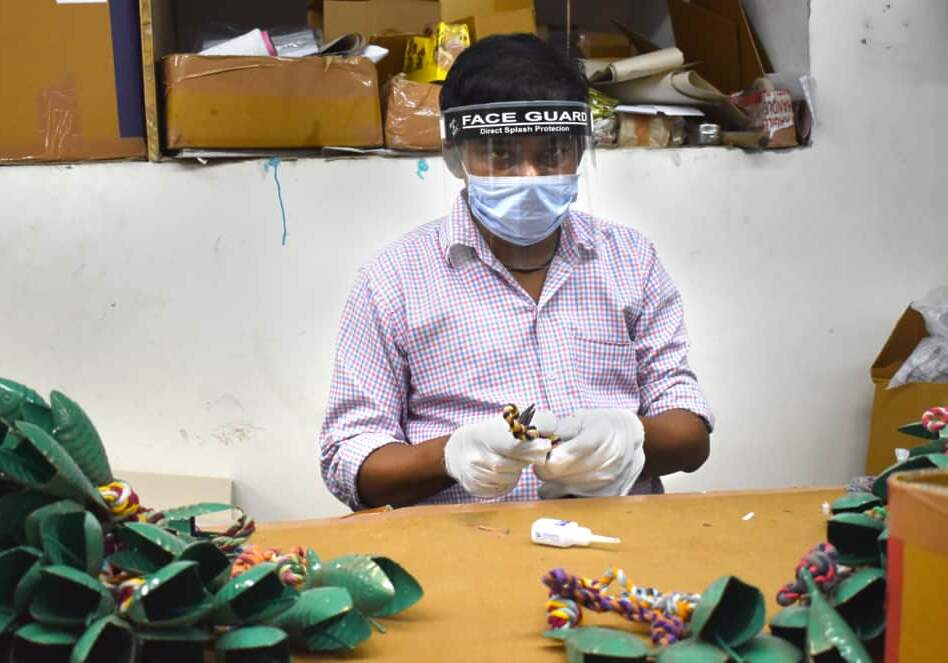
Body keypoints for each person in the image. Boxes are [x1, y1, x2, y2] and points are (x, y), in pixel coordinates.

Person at [320, 34, 713, 510]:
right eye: (500, 154)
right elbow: (348, 465)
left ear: (580, 150)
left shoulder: (630, 259)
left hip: (615, 544)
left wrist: (628, 437)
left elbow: (691, 435)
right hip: (464, 550)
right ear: (456, 154)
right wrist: (448, 457)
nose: (529, 176)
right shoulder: (394, 280)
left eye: (551, 154)